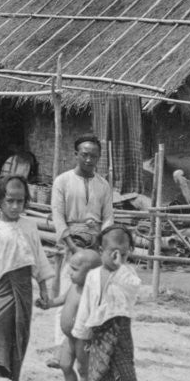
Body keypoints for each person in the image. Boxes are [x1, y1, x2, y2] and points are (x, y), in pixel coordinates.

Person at [0, 175, 54, 381]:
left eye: (20, 201)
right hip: (3, 288)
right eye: (10, 201)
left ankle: (12, 376)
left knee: (18, 331)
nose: (15, 206)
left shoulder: (30, 226)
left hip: (24, 287)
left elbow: (38, 258)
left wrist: (43, 288)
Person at [49, 135, 115, 350]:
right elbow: (58, 215)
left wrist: (100, 237)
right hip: (71, 242)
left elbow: (108, 217)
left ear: (99, 158)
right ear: (75, 154)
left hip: (95, 245)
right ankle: (61, 347)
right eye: (84, 155)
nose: (89, 160)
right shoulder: (62, 181)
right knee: (67, 292)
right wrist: (71, 245)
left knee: (94, 294)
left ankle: (87, 343)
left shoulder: (103, 185)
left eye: (93, 156)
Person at [72, 224, 141, 381]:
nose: (117, 258)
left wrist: (120, 268)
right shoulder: (93, 275)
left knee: (127, 373)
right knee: (101, 372)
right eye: (112, 253)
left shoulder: (128, 274)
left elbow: (134, 289)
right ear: (101, 251)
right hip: (99, 331)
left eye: (123, 254)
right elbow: (86, 305)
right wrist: (83, 333)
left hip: (120, 330)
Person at [44, 247, 101, 381]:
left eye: (75, 270)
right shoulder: (74, 287)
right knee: (64, 364)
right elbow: (61, 299)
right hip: (69, 337)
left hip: (83, 338)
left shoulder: (92, 293)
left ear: (90, 275)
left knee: (83, 369)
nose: (70, 273)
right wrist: (48, 304)